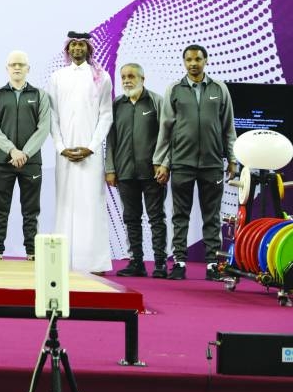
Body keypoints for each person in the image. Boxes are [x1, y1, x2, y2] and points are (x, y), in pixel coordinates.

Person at [153, 45, 237, 281]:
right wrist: (162, 162)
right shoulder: (174, 90)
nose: (193, 63)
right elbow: (166, 130)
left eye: (197, 59)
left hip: (212, 164)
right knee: (180, 215)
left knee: (212, 216)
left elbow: (229, 128)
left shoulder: (220, 89)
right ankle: (179, 262)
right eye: (189, 59)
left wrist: (232, 160)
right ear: (184, 62)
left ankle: (212, 264)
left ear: (205, 60)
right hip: (181, 162)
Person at [49, 31, 114, 274]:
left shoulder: (101, 77)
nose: (77, 49)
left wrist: (92, 146)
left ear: (88, 49)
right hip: (64, 153)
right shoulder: (57, 77)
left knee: (92, 204)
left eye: (81, 45)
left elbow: (106, 115)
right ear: (68, 49)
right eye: (73, 45)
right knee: (65, 205)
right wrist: (60, 147)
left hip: (91, 153)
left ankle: (94, 263)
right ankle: (63, 262)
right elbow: (52, 116)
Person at [0, 50, 50, 260]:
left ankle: (31, 251)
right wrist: (12, 150)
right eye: (13, 64)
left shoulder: (40, 95)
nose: (17, 67)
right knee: (0, 209)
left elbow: (44, 128)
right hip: (3, 161)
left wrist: (26, 153)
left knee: (31, 210)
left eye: (21, 64)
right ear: (7, 68)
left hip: (31, 162)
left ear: (28, 69)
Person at [106, 63, 168, 278]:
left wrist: (164, 164)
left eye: (131, 76)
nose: (126, 80)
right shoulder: (116, 104)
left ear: (143, 78)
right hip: (124, 173)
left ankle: (160, 263)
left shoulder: (156, 101)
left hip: (152, 172)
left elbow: (166, 136)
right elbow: (111, 139)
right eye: (123, 76)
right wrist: (110, 168)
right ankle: (136, 263)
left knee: (156, 218)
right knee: (131, 218)